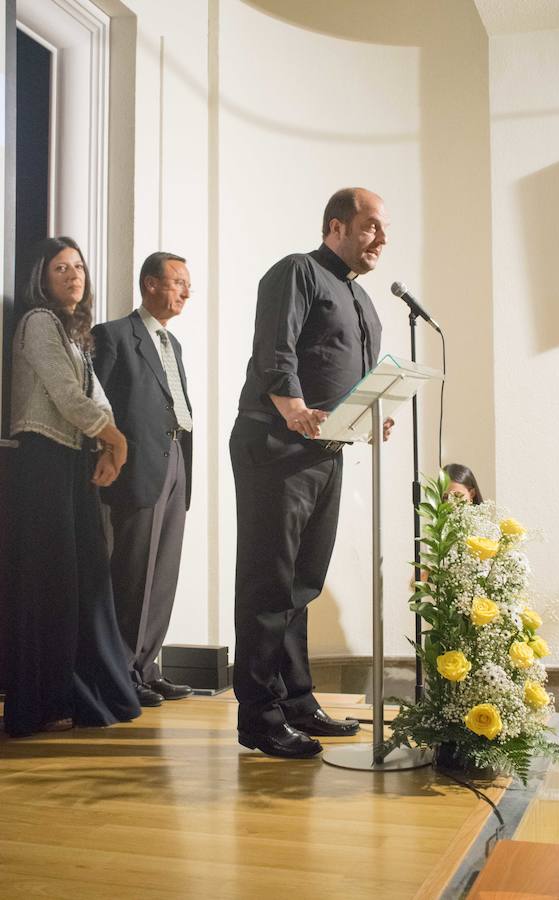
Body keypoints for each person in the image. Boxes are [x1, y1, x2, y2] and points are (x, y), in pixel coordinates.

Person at [230, 187, 393, 759]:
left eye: (383, 230)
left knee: (302, 585)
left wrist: (371, 417)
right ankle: (259, 715)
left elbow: (351, 379)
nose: (381, 239)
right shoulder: (298, 272)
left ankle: (297, 700)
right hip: (275, 445)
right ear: (337, 227)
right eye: (370, 227)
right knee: (267, 583)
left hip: (326, 452)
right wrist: (294, 408)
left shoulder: (365, 302)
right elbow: (276, 349)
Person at [5, 236, 140, 737]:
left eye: (79, 267)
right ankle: (46, 700)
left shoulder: (75, 332)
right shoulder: (38, 322)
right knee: (53, 584)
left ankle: (83, 693)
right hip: (41, 463)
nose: (73, 275)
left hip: (70, 459)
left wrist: (108, 443)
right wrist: (116, 442)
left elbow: (95, 396)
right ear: (42, 277)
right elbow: (66, 396)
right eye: (60, 268)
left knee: (85, 580)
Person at [92, 252, 193, 707]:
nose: (186, 291)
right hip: (136, 466)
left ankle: (147, 669)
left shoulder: (175, 346)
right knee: (132, 574)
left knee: (163, 573)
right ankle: (120, 673)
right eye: (178, 282)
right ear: (150, 284)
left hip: (175, 459)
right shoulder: (113, 335)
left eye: (188, 283)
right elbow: (99, 405)